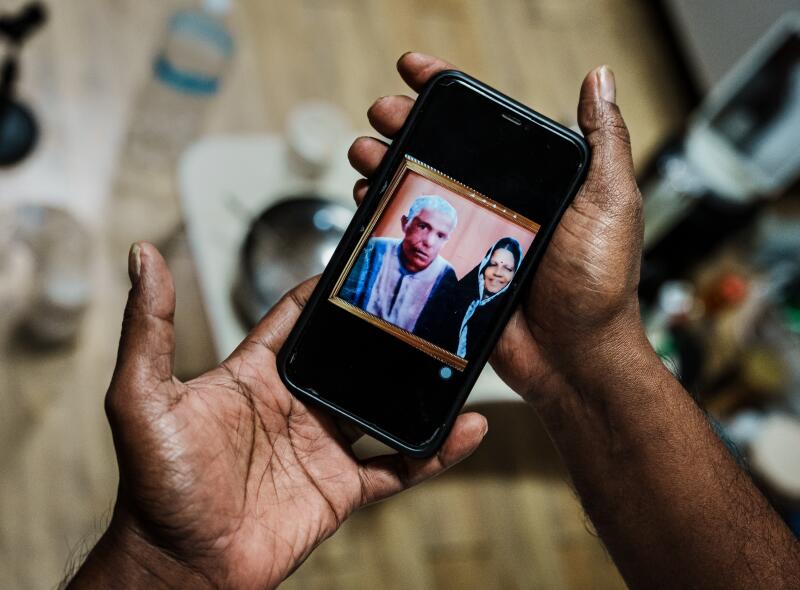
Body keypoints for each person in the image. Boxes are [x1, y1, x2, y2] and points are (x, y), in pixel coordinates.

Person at [66, 53, 800, 589]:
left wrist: (593, 348)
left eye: (436, 235)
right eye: (416, 225)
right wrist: (163, 563)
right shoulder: (376, 254)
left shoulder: (451, 287)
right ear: (408, 224)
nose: (424, 240)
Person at [340, 194, 458, 332]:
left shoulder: (447, 277)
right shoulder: (372, 249)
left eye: (440, 235)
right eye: (423, 226)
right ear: (404, 223)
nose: (429, 242)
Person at [416, 236, 522, 358]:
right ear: (483, 267)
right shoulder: (452, 298)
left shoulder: (506, 318)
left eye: (507, 268)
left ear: (515, 275)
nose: (497, 273)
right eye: (492, 264)